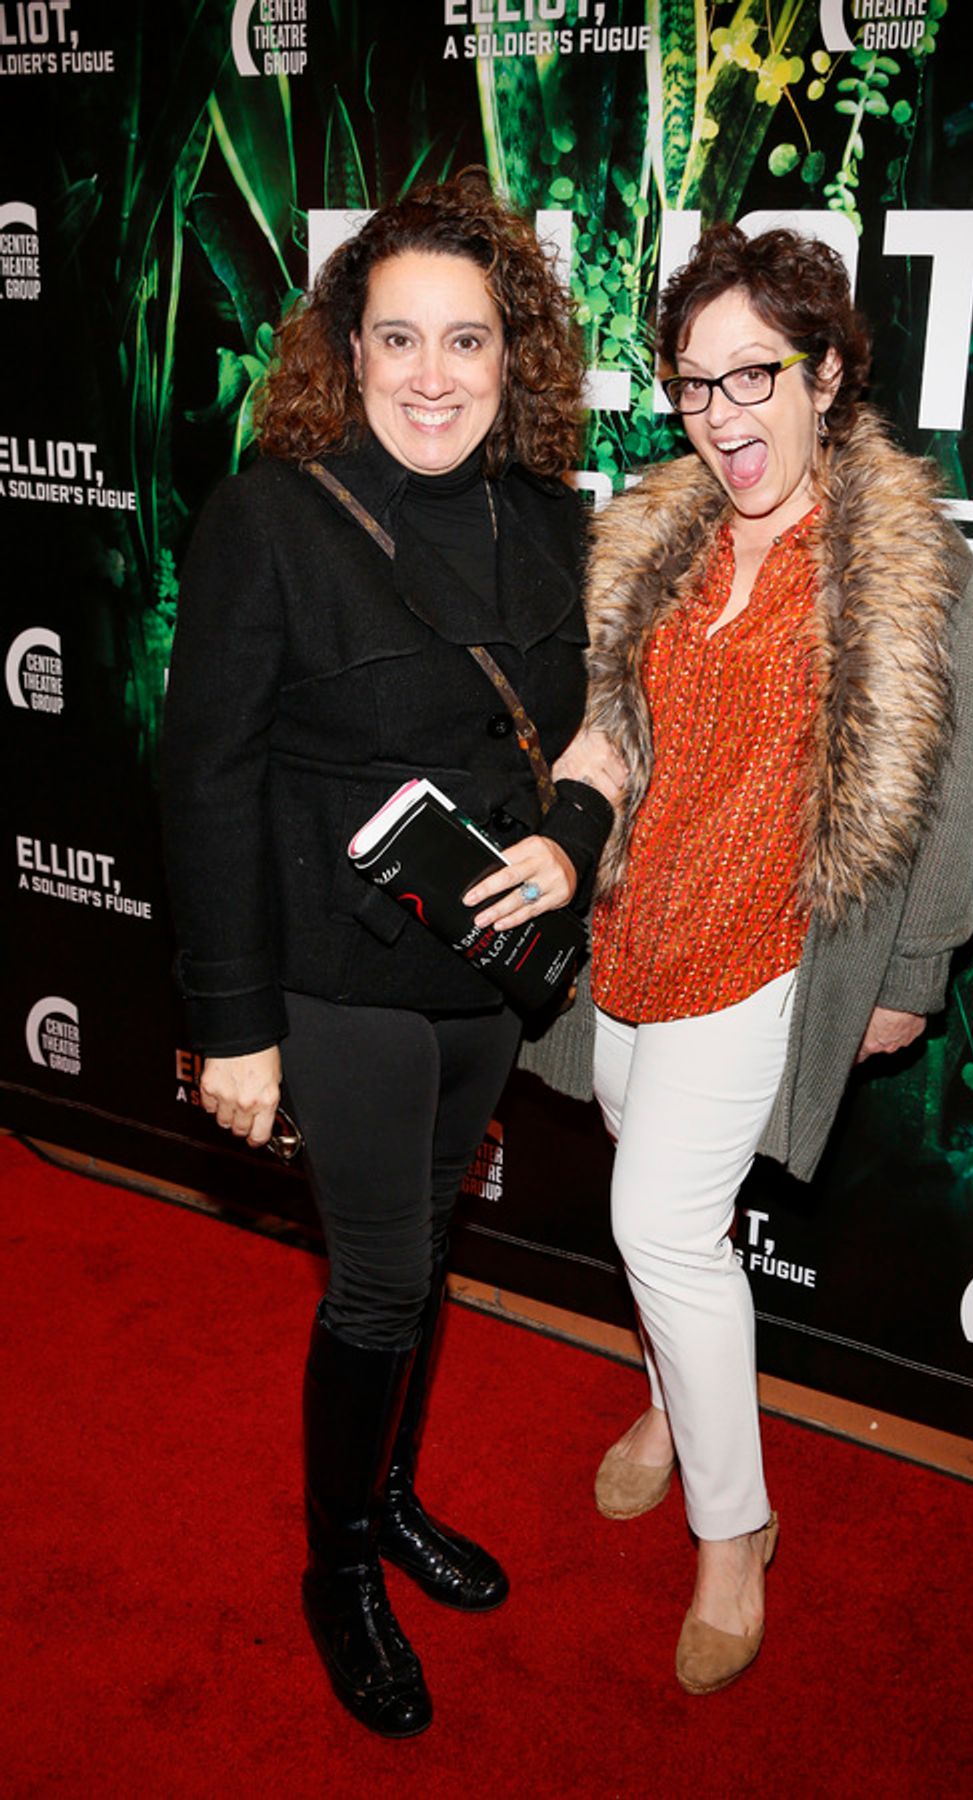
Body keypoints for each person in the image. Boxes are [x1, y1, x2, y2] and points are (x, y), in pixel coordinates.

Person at [160, 175, 621, 1738]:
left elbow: (597, 729)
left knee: (425, 1252)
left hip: (482, 972)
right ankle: (341, 1567)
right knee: (374, 1275)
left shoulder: (552, 521)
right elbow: (207, 778)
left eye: (467, 341)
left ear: (512, 356)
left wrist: (571, 833)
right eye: (400, 339)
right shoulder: (269, 519)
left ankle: (393, 1494)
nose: (434, 376)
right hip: (331, 975)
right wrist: (233, 1024)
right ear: (346, 352)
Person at [522, 223, 973, 1696]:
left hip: (771, 942)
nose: (722, 413)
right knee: (653, 1189)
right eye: (693, 382)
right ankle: (676, 1400)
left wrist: (911, 974)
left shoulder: (904, 564)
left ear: (826, 374)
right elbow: (611, 732)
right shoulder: (658, 539)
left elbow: (951, 788)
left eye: (754, 375)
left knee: (661, 1220)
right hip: (634, 924)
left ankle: (735, 1533)